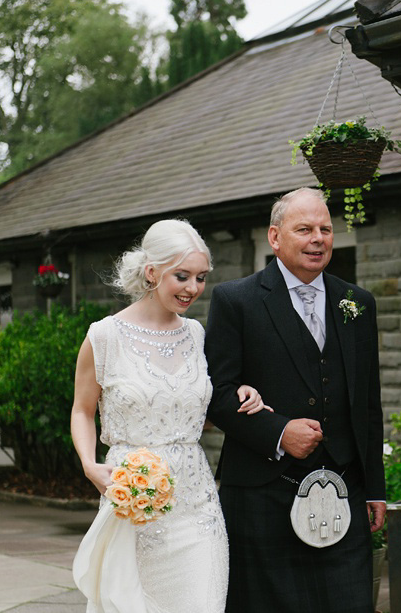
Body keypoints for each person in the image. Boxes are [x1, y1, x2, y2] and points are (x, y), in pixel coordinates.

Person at [70, 219, 269, 611]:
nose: (193, 288)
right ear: (151, 272)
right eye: (182, 276)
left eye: (200, 277)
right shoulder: (104, 336)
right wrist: (89, 465)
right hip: (134, 503)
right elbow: (82, 409)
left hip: (196, 505)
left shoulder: (196, 334)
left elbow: (198, 409)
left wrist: (243, 393)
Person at [205, 187, 386, 612]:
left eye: (326, 229)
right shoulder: (237, 300)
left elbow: (368, 404)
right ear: (274, 237)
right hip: (262, 493)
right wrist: (279, 431)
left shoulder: (356, 302)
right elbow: (215, 394)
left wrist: (374, 488)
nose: (318, 238)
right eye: (304, 229)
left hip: (342, 489)